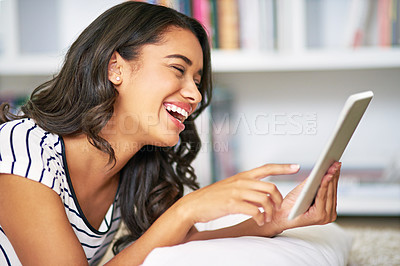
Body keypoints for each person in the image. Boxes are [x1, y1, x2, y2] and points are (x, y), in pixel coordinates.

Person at [0, 1, 341, 265]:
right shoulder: (22, 149)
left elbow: (174, 242)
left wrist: (274, 222)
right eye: (178, 69)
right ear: (115, 68)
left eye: (196, 79)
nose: (194, 95)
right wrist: (186, 209)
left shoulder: (131, 168)